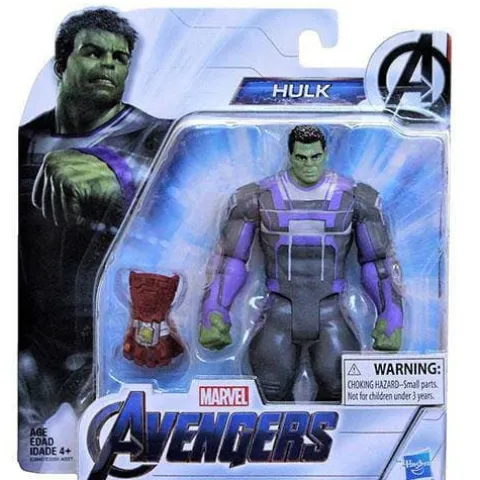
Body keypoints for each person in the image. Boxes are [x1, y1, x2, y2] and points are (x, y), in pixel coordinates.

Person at [18, 8, 172, 428]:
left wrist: (120, 174)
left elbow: (196, 199)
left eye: (120, 58)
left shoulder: (160, 137)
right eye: (93, 52)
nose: (108, 65)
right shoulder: (23, 141)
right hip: (34, 354)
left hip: (123, 348)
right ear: (61, 64)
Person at [199, 125, 404, 402]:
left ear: (325, 154)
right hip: (278, 312)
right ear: (290, 156)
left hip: (332, 312)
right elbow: (230, 260)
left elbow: (378, 262)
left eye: (315, 157)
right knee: (270, 393)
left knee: (340, 391)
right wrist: (214, 310)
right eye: (301, 157)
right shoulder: (258, 198)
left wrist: (391, 314)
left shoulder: (355, 199)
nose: (309, 164)